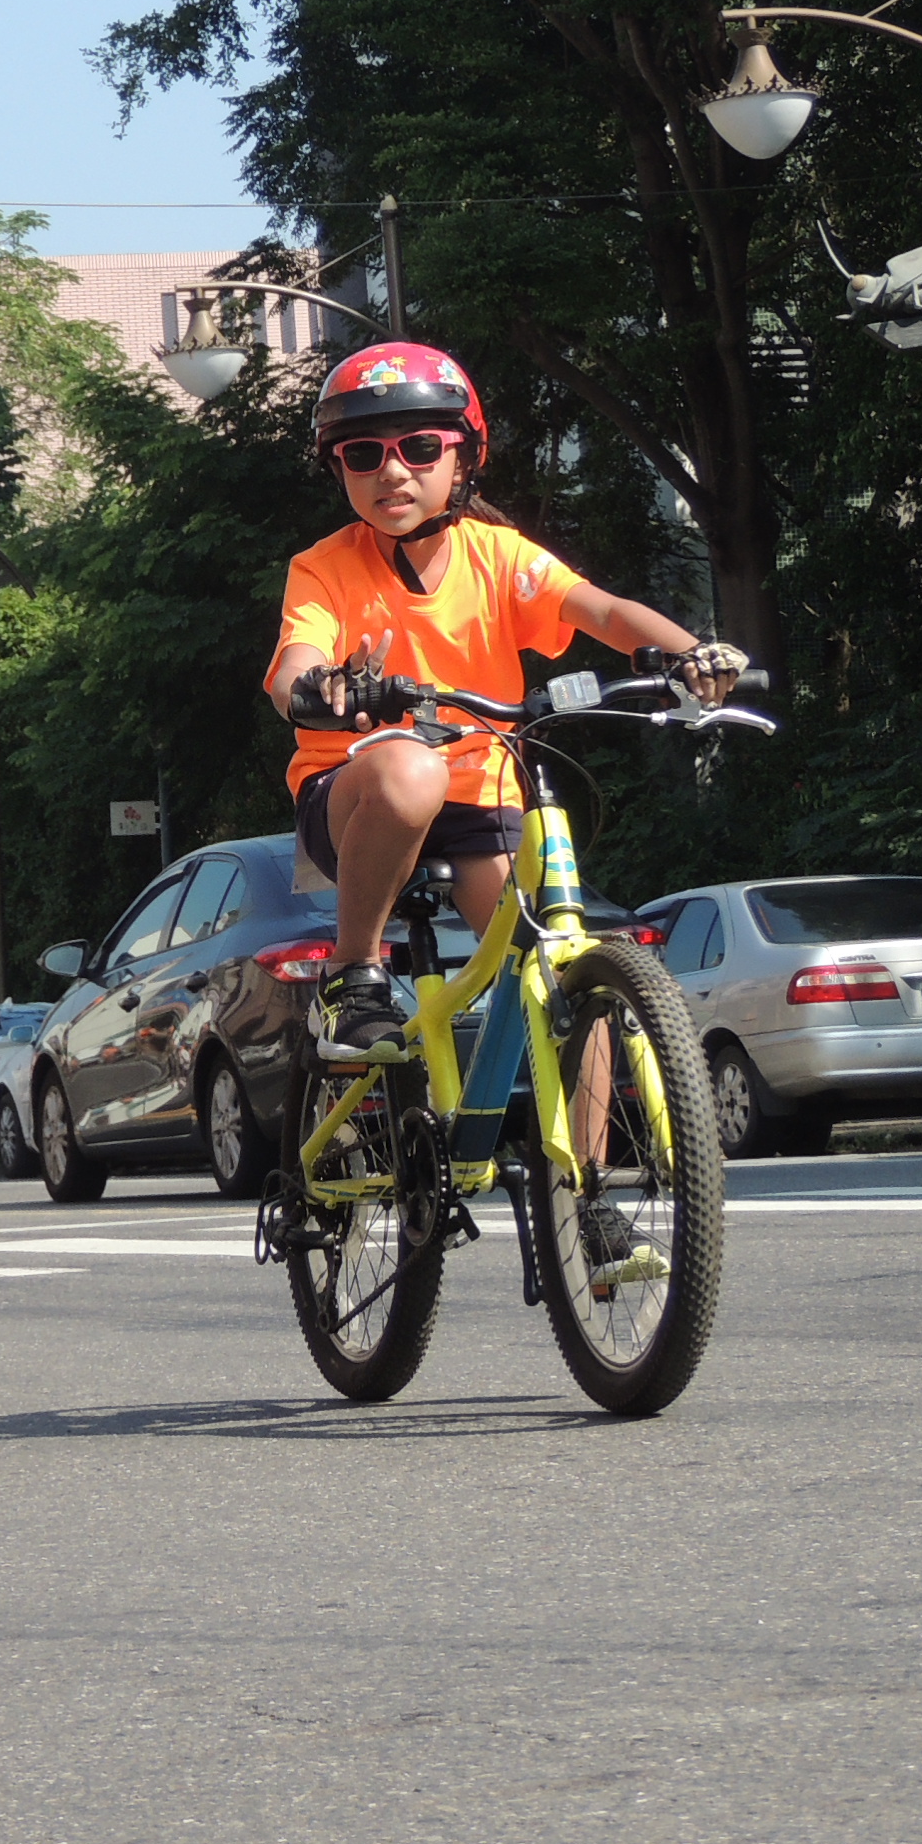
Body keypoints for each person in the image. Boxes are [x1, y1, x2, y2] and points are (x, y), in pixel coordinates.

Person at [264, 342, 743, 1250]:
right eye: (361, 455)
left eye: (418, 449)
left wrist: (691, 654)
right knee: (410, 765)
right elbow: (296, 656)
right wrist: (314, 685)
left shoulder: (498, 555)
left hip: (483, 795)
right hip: (359, 793)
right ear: (338, 469)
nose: (391, 471)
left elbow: (597, 610)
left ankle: (589, 1189)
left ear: (464, 457)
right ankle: (356, 974)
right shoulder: (324, 566)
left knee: (567, 968)